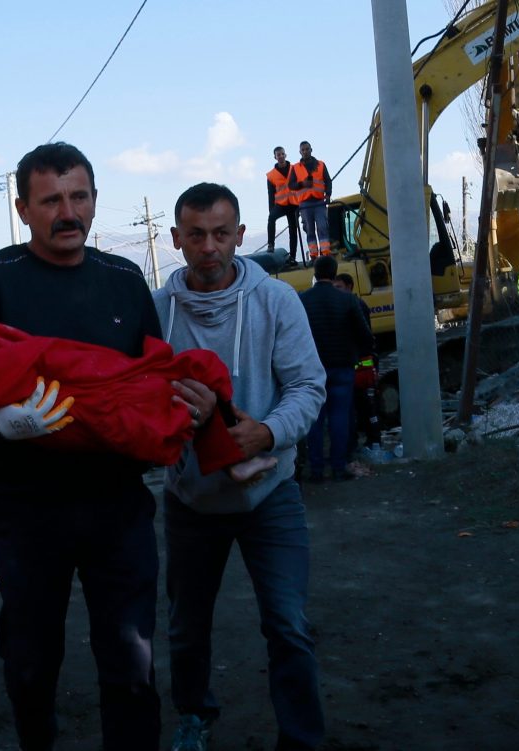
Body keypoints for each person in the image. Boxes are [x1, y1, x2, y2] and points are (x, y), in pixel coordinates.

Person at [0, 142, 162, 751]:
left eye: (79, 197)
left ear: (94, 200)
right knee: (32, 658)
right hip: (28, 510)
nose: (68, 213)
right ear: (23, 209)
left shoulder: (124, 281)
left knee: (132, 656)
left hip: (119, 506)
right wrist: (0, 426)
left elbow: (151, 381)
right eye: (51, 201)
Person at [153, 182, 326, 751]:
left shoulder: (276, 301)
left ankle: (300, 738)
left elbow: (307, 385)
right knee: (185, 626)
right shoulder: (157, 311)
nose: (210, 247)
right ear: (176, 239)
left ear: (241, 236)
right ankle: (195, 717)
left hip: (269, 495)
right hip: (190, 500)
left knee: (288, 625)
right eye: (197, 235)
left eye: (221, 234)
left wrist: (267, 431)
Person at [299, 256, 375, 482]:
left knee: (315, 419)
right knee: (341, 417)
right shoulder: (348, 300)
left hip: (312, 369)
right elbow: (365, 336)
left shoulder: (303, 300)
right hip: (342, 367)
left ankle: (316, 470)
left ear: (314, 272)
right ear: (334, 274)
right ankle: (339, 468)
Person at [332, 274, 381, 456]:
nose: (336, 291)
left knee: (367, 406)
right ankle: (364, 441)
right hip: (352, 366)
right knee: (353, 407)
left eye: (339, 287)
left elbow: (365, 337)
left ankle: (374, 440)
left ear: (350, 286)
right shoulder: (346, 305)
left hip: (361, 368)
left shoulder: (356, 305)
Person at [287, 141, 332, 261]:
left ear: (311, 150)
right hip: (305, 204)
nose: (305, 151)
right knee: (310, 230)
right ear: (300, 152)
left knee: (323, 227)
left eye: (307, 149)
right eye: (303, 150)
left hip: (319, 202)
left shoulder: (321, 165)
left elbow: (328, 180)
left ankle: (326, 253)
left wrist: (328, 195)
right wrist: (302, 184)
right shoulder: (295, 168)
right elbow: (291, 185)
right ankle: (313, 256)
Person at [265, 146, 298, 263]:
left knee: (293, 230)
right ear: (275, 157)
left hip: (294, 204)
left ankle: (293, 257)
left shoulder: (295, 169)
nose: (281, 156)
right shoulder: (271, 175)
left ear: (285, 155)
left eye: (282, 154)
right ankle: (271, 244)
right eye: (278, 155)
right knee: (271, 218)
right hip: (281, 204)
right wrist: (271, 209)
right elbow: (271, 193)